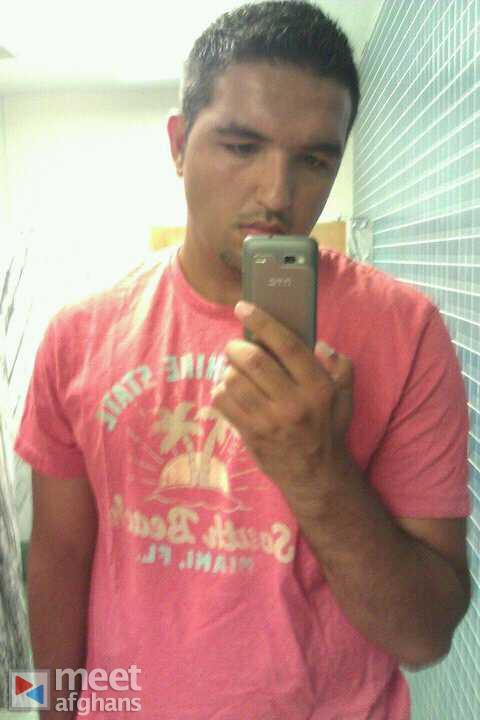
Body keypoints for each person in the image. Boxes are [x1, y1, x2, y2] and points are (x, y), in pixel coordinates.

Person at [15, 2, 471, 719]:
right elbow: (58, 559)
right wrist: (46, 707)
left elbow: (424, 636)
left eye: (314, 160)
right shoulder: (79, 335)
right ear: (178, 144)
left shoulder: (407, 332)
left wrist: (317, 469)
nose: (277, 194)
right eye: (241, 146)